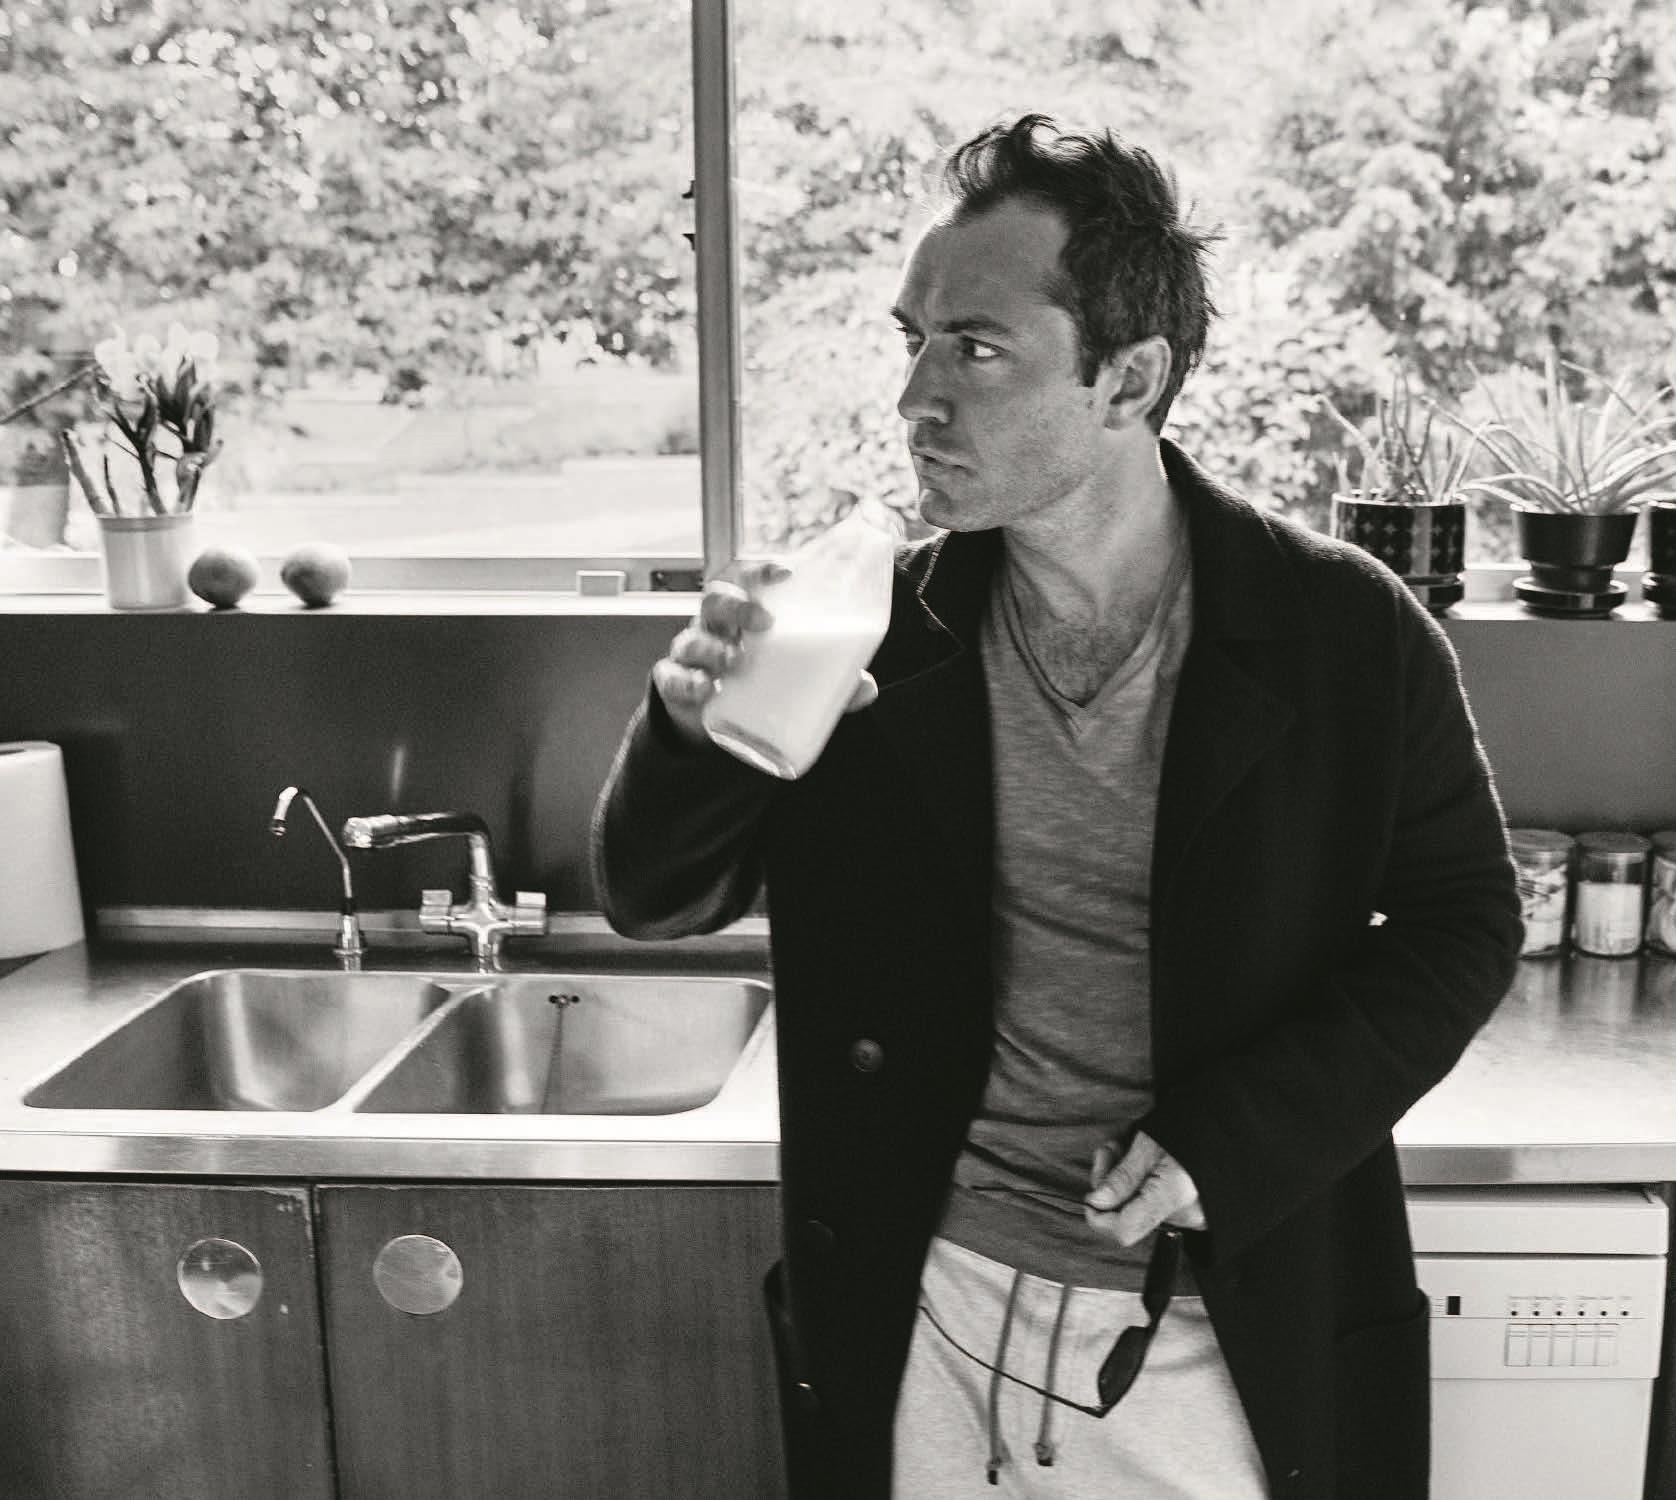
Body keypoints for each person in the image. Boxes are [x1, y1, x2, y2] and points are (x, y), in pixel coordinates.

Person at [591, 114, 1521, 1500]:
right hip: (929, 1311)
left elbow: (1464, 925)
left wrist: (1237, 1141)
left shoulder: (1342, 631)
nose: (916, 396)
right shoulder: (868, 633)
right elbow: (655, 898)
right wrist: (691, 728)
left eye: (975, 349)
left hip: (1215, 1321)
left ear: (1129, 378)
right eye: (912, 340)